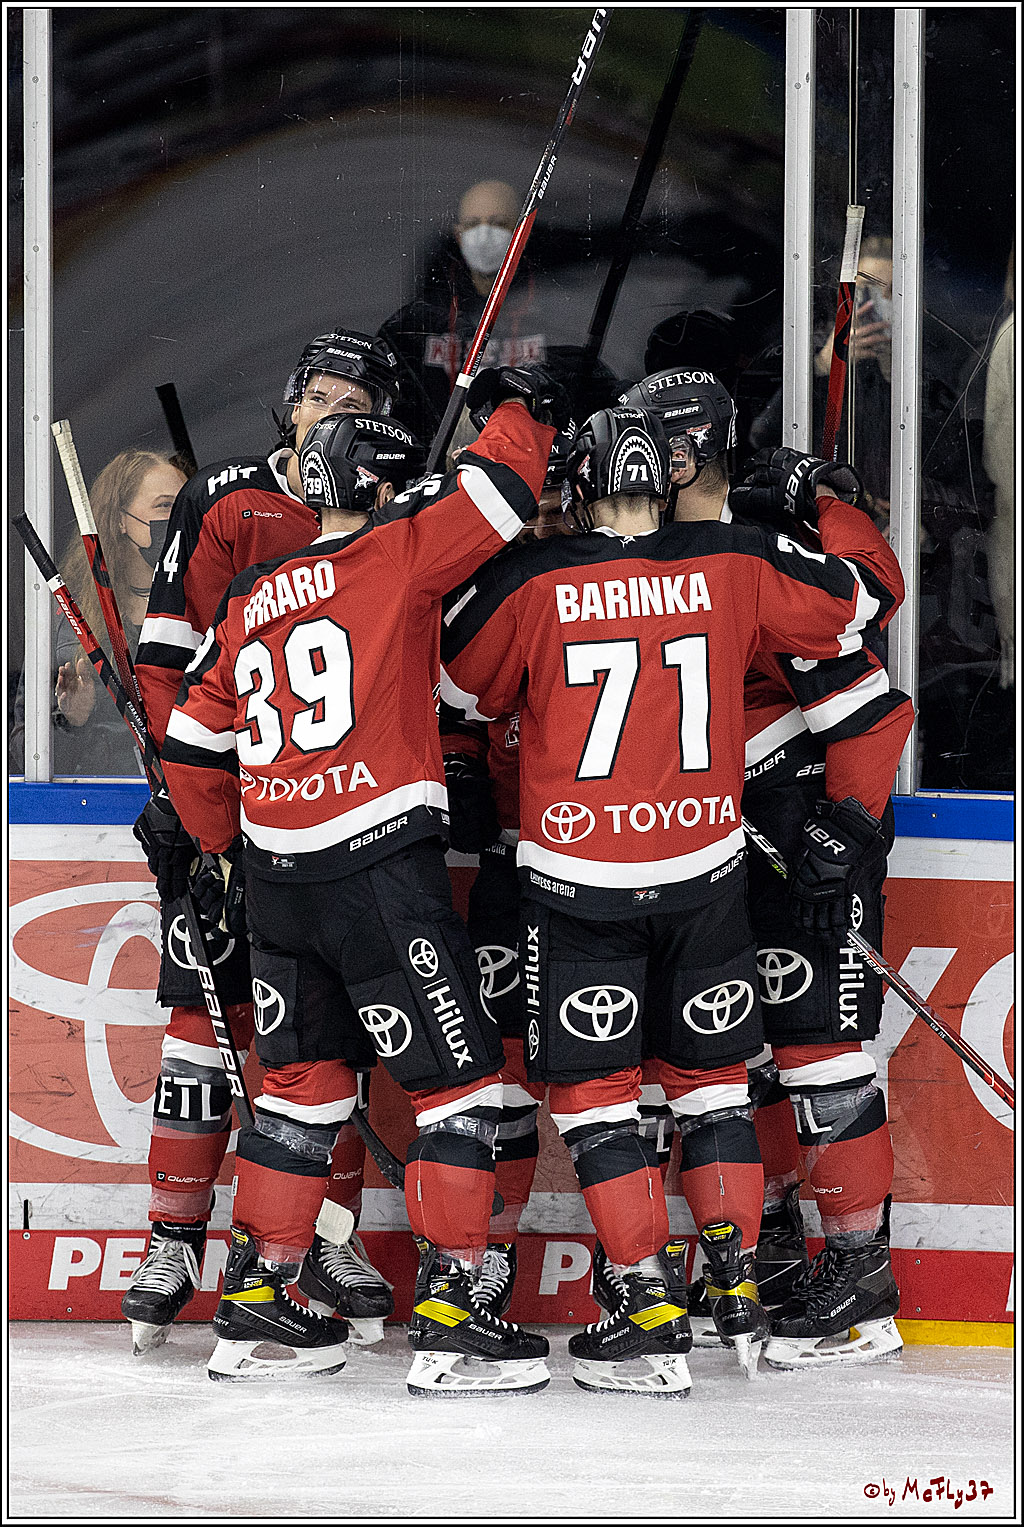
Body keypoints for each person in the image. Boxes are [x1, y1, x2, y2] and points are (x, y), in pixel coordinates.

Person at [440, 397, 904, 1393]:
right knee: (717, 1084)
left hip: (599, 875)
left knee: (644, 1087)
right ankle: (735, 1285)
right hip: (708, 871)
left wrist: (851, 824)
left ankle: (670, 1300)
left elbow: (450, 660)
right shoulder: (741, 562)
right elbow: (865, 597)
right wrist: (820, 510)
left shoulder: (535, 576)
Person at [160, 368, 566, 1390]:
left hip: (278, 877)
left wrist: (218, 848)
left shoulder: (252, 596)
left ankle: (259, 1306)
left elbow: (193, 739)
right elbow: (502, 493)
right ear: (383, 488)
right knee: (460, 1088)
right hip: (380, 869)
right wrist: (524, 409)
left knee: (300, 1091)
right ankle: (456, 1313)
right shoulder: (398, 552)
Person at [621, 368, 913, 1369]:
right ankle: (777, 1249)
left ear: (691, 448)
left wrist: (845, 827)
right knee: (723, 1061)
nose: (629, 460)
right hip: (710, 837)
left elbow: (869, 704)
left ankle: (862, 1277)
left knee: (818, 1053)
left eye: (646, 442)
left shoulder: (761, 555)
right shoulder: (639, 561)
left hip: (797, 824)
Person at [123, 330, 399, 1354]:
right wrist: (184, 806)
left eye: (349, 394)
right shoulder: (228, 498)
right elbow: (165, 657)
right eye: (316, 390)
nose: (328, 406)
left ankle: (320, 1239)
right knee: (200, 1031)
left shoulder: (385, 514)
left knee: (329, 1040)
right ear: (289, 404)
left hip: (331, 820)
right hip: (225, 811)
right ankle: (172, 1238)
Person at [9, 449, 185, 777]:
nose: (179, 520)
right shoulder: (66, 618)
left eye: (186, 508)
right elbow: (26, 756)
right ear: (120, 520)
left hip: (190, 808)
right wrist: (71, 721)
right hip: (97, 810)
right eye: (164, 507)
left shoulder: (210, 608)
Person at [380, 179, 547, 442]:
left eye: (498, 223)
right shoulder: (421, 319)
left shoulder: (556, 308)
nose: (484, 235)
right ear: (458, 235)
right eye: (472, 224)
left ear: (522, 233)